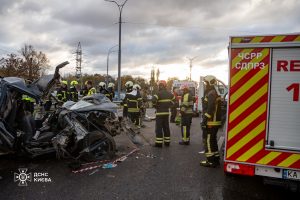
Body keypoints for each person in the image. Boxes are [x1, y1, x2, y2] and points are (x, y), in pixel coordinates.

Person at [200, 75, 222, 167]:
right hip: (214, 121)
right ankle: (216, 159)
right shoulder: (214, 92)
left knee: (208, 140)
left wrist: (205, 120)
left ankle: (210, 160)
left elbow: (210, 108)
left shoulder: (211, 93)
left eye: (206, 83)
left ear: (209, 83)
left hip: (211, 122)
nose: (205, 84)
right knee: (213, 140)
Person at [152, 80, 175, 147]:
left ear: (160, 86)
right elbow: (174, 101)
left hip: (159, 113)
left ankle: (159, 143)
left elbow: (153, 100)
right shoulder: (169, 93)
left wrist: (156, 106)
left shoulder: (158, 93)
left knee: (159, 128)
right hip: (166, 113)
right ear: (165, 86)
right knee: (166, 127)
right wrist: (169, 106)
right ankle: (167, 142)